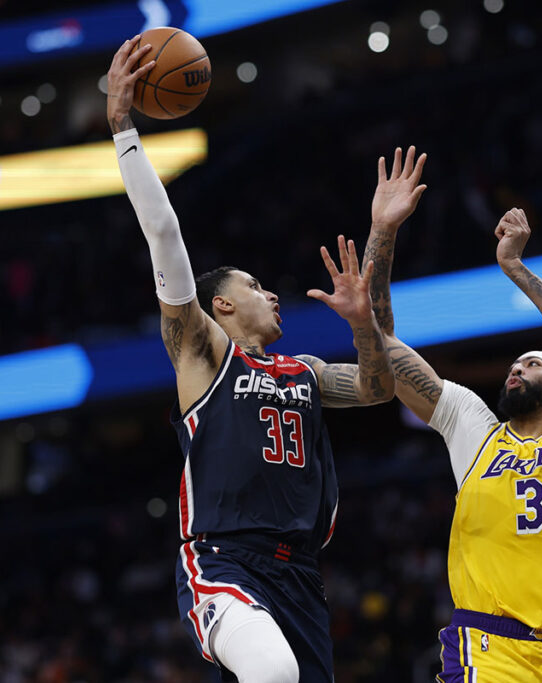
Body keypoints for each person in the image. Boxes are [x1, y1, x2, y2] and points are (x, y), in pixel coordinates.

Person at [106, 37, 405, 683]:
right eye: (255, 285)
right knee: (271, 671)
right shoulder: (203, 354)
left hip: (299, 572)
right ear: (220, 305)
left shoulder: (304, 372)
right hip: (223, 561)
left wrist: (364, 326)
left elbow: (380, 387)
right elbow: (165, 234)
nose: (272, 293)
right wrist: (123, 127)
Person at [362, 169, 542, 681]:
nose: (516, 369)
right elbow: (382, 346)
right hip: (489, 647)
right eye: (514, 366)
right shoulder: (474, 427)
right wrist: (383, 231)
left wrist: (515, 268)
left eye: (532, 364)